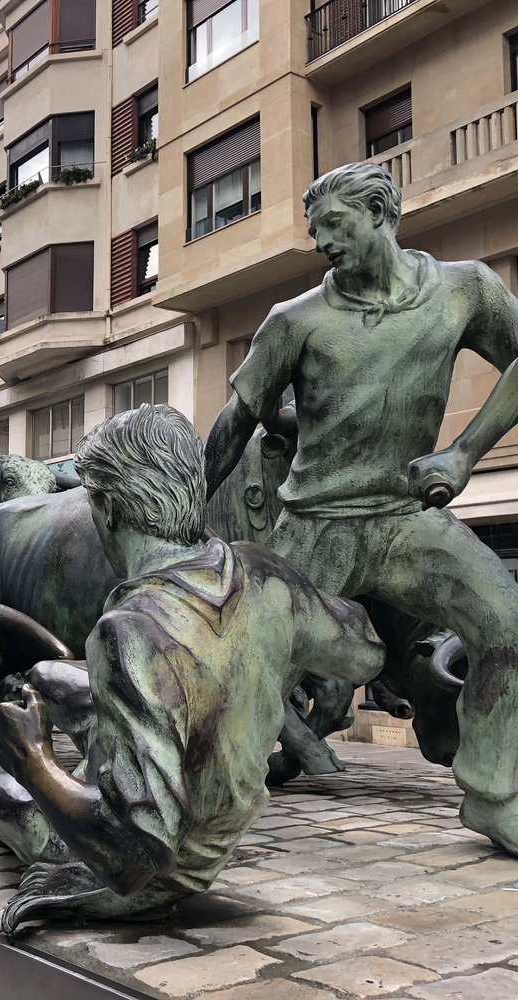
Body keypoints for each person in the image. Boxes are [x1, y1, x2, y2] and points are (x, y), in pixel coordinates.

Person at [0, 405, 385, 935]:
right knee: (46, 677)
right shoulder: (262, 572)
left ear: (105, 508)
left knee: (2, 796)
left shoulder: (128, 631)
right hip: (213, 783)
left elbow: (141, 846)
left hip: (171, 863)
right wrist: (264, 651)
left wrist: (33, 762)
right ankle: (56, 734)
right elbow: (367, 653)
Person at [204, 161, 518, 853]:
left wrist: (465, 454)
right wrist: (187, 516)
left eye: (336, 227)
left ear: (381, 213)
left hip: (408, 521)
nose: (324, 245)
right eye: (317, 235)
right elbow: (235, 423)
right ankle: (194, 800)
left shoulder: (466, 291)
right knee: (241, 665)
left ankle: (499, 795)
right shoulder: (295, 321)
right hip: (314, 528)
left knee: (506, 621)